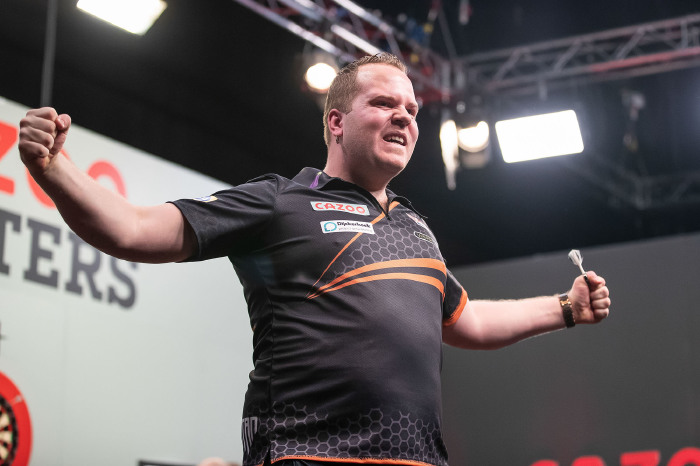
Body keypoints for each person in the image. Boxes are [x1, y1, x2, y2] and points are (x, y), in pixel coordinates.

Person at [18, 53, 610, 466]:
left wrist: (566, 307)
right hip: (305, 454)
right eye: (384, 103)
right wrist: (54, 168)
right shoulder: (280, 201)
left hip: (417, 461)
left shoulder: (416, 228)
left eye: (412, 109)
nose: (405, 116)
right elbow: (133, 229)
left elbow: (469, 322)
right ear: (336, 122)